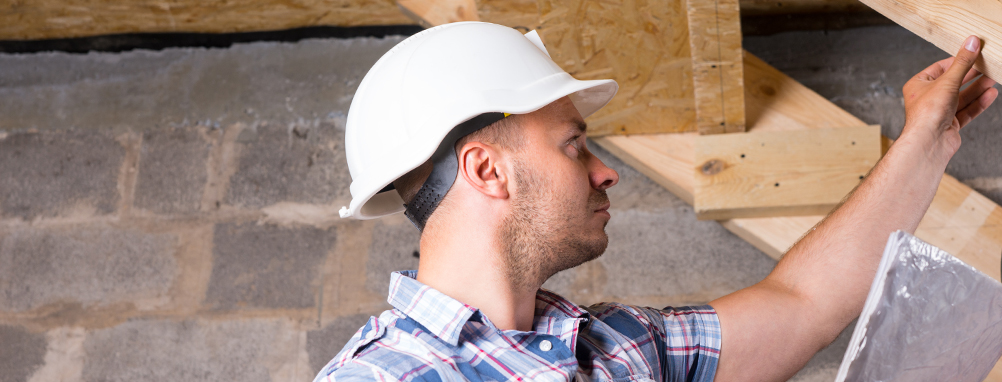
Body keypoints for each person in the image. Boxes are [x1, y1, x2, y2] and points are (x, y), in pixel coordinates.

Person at [316, 22, 997, 381]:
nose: (605, 171)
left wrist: (926, 142)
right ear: (489, 170)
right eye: (573, 143)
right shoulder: (383, 379)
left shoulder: (614, 349)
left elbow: (802, 305)